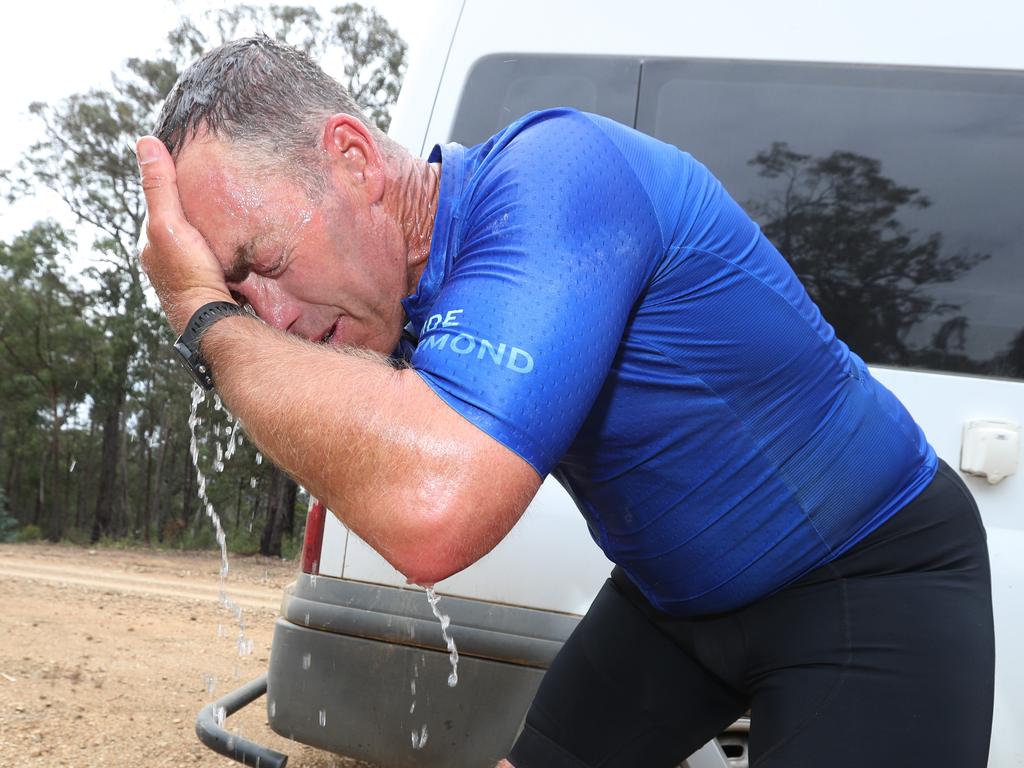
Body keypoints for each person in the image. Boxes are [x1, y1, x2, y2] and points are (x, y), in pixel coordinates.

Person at [137, 36, 994, 768]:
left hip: (870, 575)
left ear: (354, 159)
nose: (273, 320)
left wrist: (206, 319)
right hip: (673, 602)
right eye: (241, 296)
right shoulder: (383, 315)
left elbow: (435, 513)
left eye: (263, 259)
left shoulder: (557, 174)